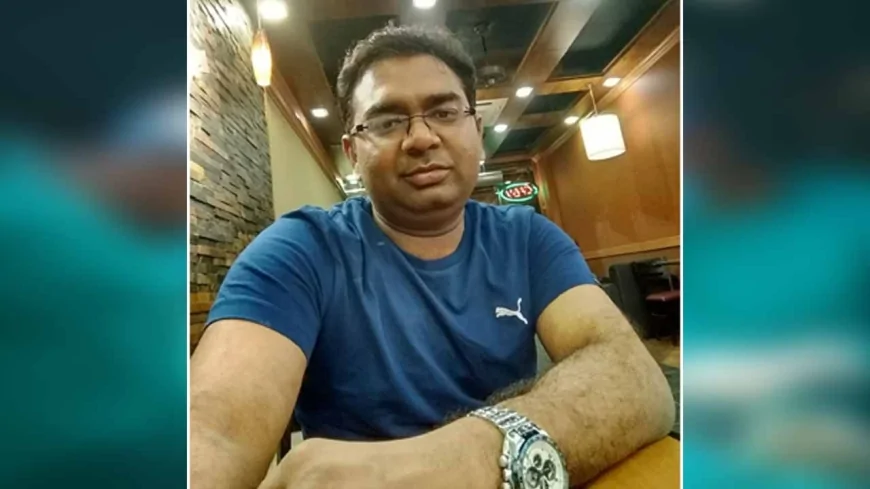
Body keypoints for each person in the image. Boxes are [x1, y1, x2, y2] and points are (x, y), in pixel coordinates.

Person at [190, 25, 674, 489]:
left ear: (476, 131)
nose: (421, 137)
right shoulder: (299, 250)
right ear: (352, 152)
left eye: (443, 112)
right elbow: (214, 429)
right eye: (387, 121)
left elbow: (633, 377)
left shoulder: (528, 239)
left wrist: (467, 460)